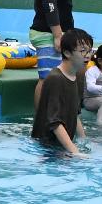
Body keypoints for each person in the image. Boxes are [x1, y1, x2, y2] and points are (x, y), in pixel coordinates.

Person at [29, 0, 87, 109]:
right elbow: (49, 4)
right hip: (48, 33)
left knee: (79, 70)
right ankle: (41, 122)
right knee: (47, 78)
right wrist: (57, 35)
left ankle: (72, 113)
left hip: (62, 32)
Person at [31, 28, 94, 157]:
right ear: (67, 52)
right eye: (83, 51)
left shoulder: (78, 75)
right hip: (45, 147)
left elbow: (75, 113)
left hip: (62, 145)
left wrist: (84, 141)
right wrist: (75, 152)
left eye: (89, 51)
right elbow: (54, 123)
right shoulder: (55, 78)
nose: (88, 55)